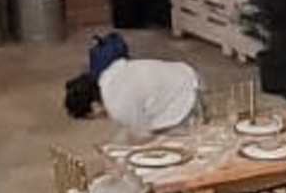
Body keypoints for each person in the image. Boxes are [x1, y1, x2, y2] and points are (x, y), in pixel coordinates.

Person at [63, 32, 203, 138]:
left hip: (185, 98)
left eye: (92, 117)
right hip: (184, 74)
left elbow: (143, 137)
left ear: (94, 107)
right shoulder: (108, 74)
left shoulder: (116, 105)